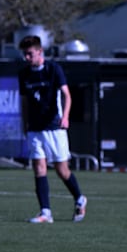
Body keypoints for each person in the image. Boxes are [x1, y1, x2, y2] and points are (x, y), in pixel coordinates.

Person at [18, 35, 87, 223]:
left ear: (40, 51)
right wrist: (25, 124)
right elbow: (24, 102)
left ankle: (80, 198)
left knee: (62, 170)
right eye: (24, 54)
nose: (26, 57)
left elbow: (67, 95)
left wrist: (65, 117)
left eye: (30, 53)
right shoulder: (23, 74)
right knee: (39, 168)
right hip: (35, 129)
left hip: (54, 127)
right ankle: (45, 212)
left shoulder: (54, 69)